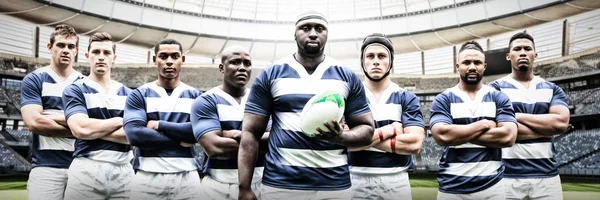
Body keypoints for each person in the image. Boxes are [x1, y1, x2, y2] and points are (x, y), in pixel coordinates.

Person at [237, 11, 376, 200]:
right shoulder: (271, 74)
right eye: (305, 28)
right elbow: (251, 133)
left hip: (335, 186)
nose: (312, 33)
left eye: (320, 29)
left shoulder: (346, 76)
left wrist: (342, 136)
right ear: (294, 34)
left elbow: (367, 129)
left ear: (327, 34)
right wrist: (244, 187)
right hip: (280, 186)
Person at [429, 41, 518, 199]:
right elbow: (442, 135)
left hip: (492, 188)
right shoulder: (443, 99)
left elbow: (508, 136)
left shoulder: (499, 97)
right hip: (451, 188)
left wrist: (458, 133)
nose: (471, 67)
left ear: (484, 66)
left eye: (477, 62)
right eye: (466, 62)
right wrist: (484, 124)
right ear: (457, 66)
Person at [489, 31, 570, 200]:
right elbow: (496, 130)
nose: (523, 52)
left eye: (527, 48)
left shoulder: (552, 89)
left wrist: (515, 116)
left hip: (547, 177)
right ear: (508, 56)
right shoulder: (494, 89)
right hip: (505, 177)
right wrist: (547, 129)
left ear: (535, 55)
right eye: (517, 49)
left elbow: (560, 123)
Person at [347, 33, 425, 200]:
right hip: (355, 179)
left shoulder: (406, 98)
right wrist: (388, 130)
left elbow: (414, 144)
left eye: (382, 56)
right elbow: (343, 143)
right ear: (363, 62)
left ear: (390, 61)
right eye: (370, 56)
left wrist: (360, 139)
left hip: (396, 181)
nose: (376, 61)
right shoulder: (349, 98)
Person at [123, 38, 202, 200]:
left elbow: (199, 133)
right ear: (155, 60)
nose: (169, 62)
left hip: (186, 177)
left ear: (182, 60)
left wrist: (160, 125)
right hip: (147, 177)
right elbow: (135, 134)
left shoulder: (197, 97)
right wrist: (181, 139)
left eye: (175, 56)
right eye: (163, 56)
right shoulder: (139, 94)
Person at [61, 32, 133, 200]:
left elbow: (134, 136)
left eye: (107, 53)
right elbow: (80, 129)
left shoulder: (130, 95)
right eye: (96, 52)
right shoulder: (75, 89)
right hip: (87, 169)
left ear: (114, 57)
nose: (101, 57)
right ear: (87, 55)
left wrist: (94, 129)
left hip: (124, 172)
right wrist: (119, 121)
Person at [192, 46, 269, 200]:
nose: (242, 68)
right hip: (217, 186)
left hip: (260, 185)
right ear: (222, 68)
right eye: (235, 62)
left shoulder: (263, 100)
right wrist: (254, 139)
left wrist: (233, 135)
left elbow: (273, 141)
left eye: (247, 63)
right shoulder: (206, 100)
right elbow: (214, 147)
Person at [20, 24, 84, 200]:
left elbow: (93, 123)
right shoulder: (34, 79)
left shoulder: (86, 84)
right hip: (45, 167)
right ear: (50, 47)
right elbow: (34, 122)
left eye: (71, 46)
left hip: (83, 166)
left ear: (76, 50)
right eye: (61, 45)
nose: (66, 50)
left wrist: (50, 116)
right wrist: (80, 130)